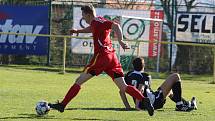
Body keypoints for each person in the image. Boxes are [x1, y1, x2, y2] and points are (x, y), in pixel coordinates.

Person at [48, 4, 154, 116]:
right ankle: (144, 99)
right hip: (112, 58)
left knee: (79, 81)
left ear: (88, 14)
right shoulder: (97, 21)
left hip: (102, 57)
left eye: (83, 15)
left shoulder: (98, 22)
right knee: (123, 86)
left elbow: (116, 26)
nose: (83, 18)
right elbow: (92, 29)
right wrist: (78, 31)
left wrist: (121, 41)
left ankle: (62, 105)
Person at [120, 57, 197, 111]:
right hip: (153, 102)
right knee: (175, 76)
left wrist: (128, 106)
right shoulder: (145, 75)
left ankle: (187, 104)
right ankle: (180, 105)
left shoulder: (128, 75)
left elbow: (121, 91)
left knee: (169, 92)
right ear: (143, 66)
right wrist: (137, 106)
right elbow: (141, 90)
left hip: (145, 103)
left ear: (133, 66)